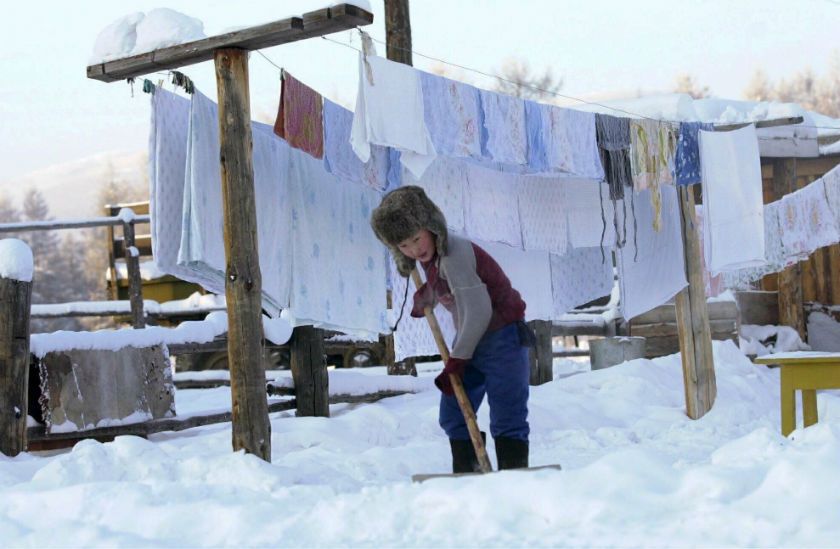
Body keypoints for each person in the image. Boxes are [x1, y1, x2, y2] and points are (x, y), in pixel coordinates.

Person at [370, 185, 533, 472]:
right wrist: (429, 295)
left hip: (503, 337)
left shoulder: (454, 254)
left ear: (432, 226)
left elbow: (479, 309)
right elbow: (453, 292)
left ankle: (515, 478)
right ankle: (469, 473)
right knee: (454, 412)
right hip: (472, 339)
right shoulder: (431, 259)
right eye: (403, 246)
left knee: (508, 414)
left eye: (416, 238)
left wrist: (459, 359)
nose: (414, 249)